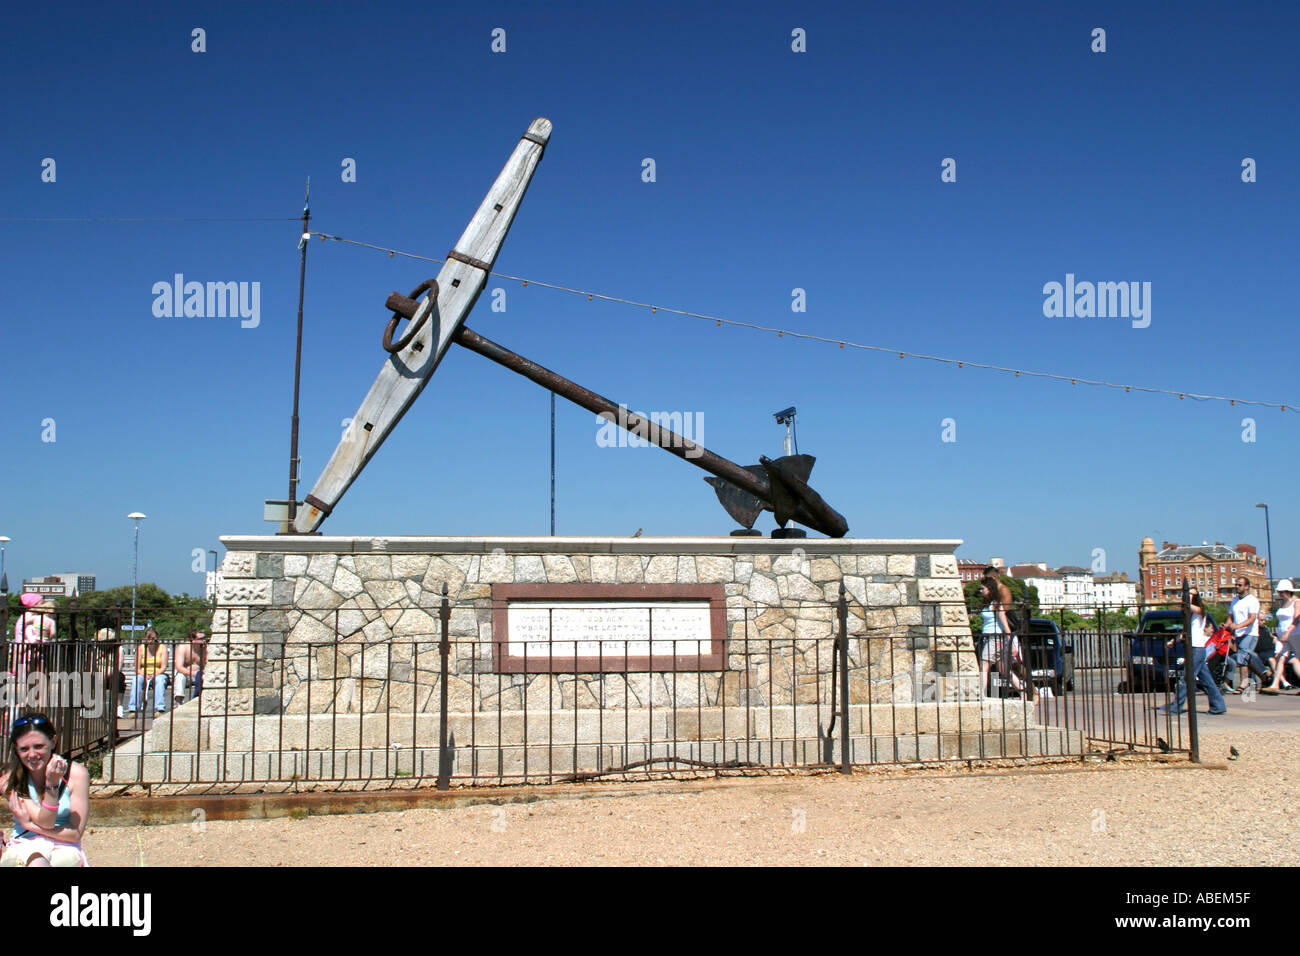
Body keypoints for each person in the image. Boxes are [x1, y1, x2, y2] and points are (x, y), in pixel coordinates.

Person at [0, 713, 88, 867]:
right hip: (24, 843)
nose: (32, 754)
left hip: (64, 846)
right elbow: (47, 822)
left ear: (53, 741)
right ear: (15, 749)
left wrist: (29, 825)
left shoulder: (77, 775)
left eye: (39, 746)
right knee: (35, 862)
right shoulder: (12, 780)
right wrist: (52, 785)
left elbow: (74, 834)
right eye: (24, 749)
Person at [1158, 593, 1227, 715]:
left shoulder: (1200, 611)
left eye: (1189, 595)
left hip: (1197, 650)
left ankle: (1176, 707)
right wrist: (1173, 641)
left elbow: (1188, 606)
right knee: (1207, 681)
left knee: (1186, 678)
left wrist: (1189, 596)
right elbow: (1186, 633)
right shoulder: (1190, 616)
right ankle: (1218, 706)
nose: (1185, 596)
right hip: (1194, 649)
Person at [978, 580, 1028, 700]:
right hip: (990, 637)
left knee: (984, 666)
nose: (980, 591)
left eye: (982, 588)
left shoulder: (996, 604)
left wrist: (1011, 642)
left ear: (990, 589)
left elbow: (1004, 622)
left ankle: (982, 695)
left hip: (995, 637)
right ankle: (1023, 691)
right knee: (1003, 668)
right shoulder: (988, 603)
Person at [1224, 576, 1268, 693]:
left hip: (1249, 633)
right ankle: (1265, 675)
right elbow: (1231, 616)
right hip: (1238, 634)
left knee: (1242, 657)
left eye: (1240, 585)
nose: (1237, 587)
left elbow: (1252, 618)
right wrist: (1226, 626)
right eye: (1236, 585)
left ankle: (1244, 685)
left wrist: (1237, 626)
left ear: (1247, 586)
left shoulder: (1252, 600)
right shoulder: (1235, 600)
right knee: (1247, 659)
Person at [1261, 580, 1300, 695]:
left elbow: (1296, 620)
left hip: (1294, 633)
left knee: (1296, 659)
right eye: (1279, 592)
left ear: (1288, 591)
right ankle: (1275, 684)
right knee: (1281, 658)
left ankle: (1275, 684)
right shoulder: (1283, 603)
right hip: (1283, 635)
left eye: (1282, 592)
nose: (1280, 594)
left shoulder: (1296, 602)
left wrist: (1288, 632)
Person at [127, 629, 169, 717]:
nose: (150, 640)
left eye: (153, 638)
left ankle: (159, 708)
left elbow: (163, 667)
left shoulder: (162, 648)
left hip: (158, 673)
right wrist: (144, 674)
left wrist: (154, 674)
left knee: (160, 680)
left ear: (156, 638)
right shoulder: (141, 648)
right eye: (148, 638)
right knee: (136, 680)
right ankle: (133, 708)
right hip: (143, 673)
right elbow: (137, 668)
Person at [172, 630, 207, 706]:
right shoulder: (183, 647)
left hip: (200, 673)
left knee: (203, 676)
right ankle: (179, 701)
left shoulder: (205, 648)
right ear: (193, 640)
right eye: (201, 639)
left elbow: (208, 663)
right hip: (186, 673)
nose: (204, 641)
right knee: (180, 678)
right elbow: (178, 666)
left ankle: (198, 699)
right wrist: (192, 673)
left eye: (205, 638)